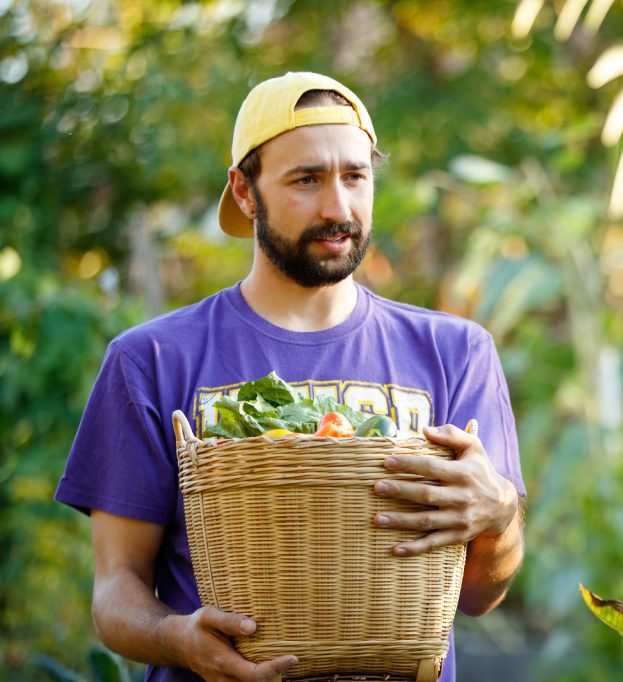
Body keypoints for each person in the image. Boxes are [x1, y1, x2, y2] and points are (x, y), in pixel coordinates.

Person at [55, 71, 526, 682]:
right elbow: (116, 591)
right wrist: (177, 639)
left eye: (355, 176)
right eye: (306, 180)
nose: (338, 207)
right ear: (245, 192)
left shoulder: (455, 352)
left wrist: (499, 517)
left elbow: (479, 595)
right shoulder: (152, 359)